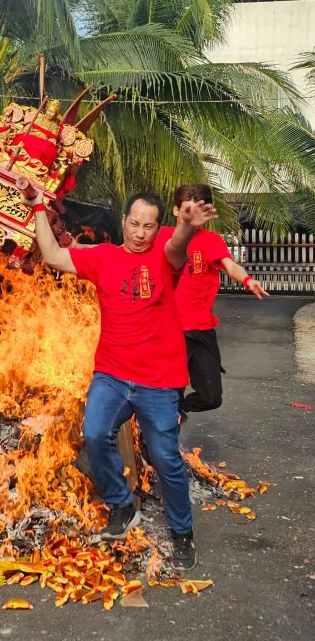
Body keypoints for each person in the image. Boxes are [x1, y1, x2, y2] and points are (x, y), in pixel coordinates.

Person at [29, 190, 218, 572]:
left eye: (149, 226)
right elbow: (50, 255)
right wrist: (37, 206)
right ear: (123, 222)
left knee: (166, 459)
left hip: (159, 380)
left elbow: (178, 247)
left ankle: (182, 534)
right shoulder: (103, 257)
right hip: (112, 375)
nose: (140, 233)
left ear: (157, 228)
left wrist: (185, 225)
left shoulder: (165, 258)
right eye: (134, 223)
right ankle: (120, 505)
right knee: (95, 434)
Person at [161, 184, 268, 417]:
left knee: (211, 397)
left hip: (201, 329)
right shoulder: (161, 237)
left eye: (198, 211)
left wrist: (248, 280)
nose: (192, 217)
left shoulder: (211, 240)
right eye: (187, 211)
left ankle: (178, 410)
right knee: (170, 393)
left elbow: (230, 266)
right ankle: (159, 442)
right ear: (176, 211)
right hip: (169, 330)